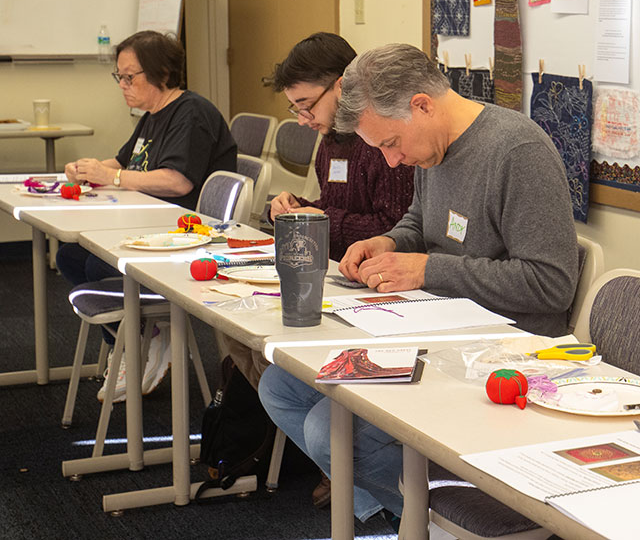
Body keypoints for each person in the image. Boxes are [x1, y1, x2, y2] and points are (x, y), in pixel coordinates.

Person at [259, 43, 578, 524]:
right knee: (282, 386)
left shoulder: (518, 152)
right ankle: (399, 516)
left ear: (422, 105)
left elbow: (551, 285)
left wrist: (428, 270)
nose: (391, 162)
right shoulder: (431, 147)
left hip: (504, 354)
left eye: (389, 144)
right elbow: (419, 225)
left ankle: (451, 523)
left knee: (330, 432)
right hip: (436, 330)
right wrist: (387, 242)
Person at [225, 32, 415, 395]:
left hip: (373, 291)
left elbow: (393, 231)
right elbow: (333, 202)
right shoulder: (331, 141)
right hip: (334, 277)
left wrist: (319, 218)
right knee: (238, 333)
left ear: (341, 87)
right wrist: (298, 206)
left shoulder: (385, 143)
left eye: (306, 104)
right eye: (295, 108)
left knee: (272, 355)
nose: (302, 119)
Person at [58, 30, 237, 403]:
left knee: (96, 265)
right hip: (150, 223)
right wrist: (88, 169)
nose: (122, 86)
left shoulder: (191, 114)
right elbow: (124, 162)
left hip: (185, 233)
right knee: (69, 256)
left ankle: (146, 337)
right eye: (119, 77)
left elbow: (176, 180)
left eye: (130, 76)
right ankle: (137, 339)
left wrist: (113, 177)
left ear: (163, 73)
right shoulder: (152, 115)